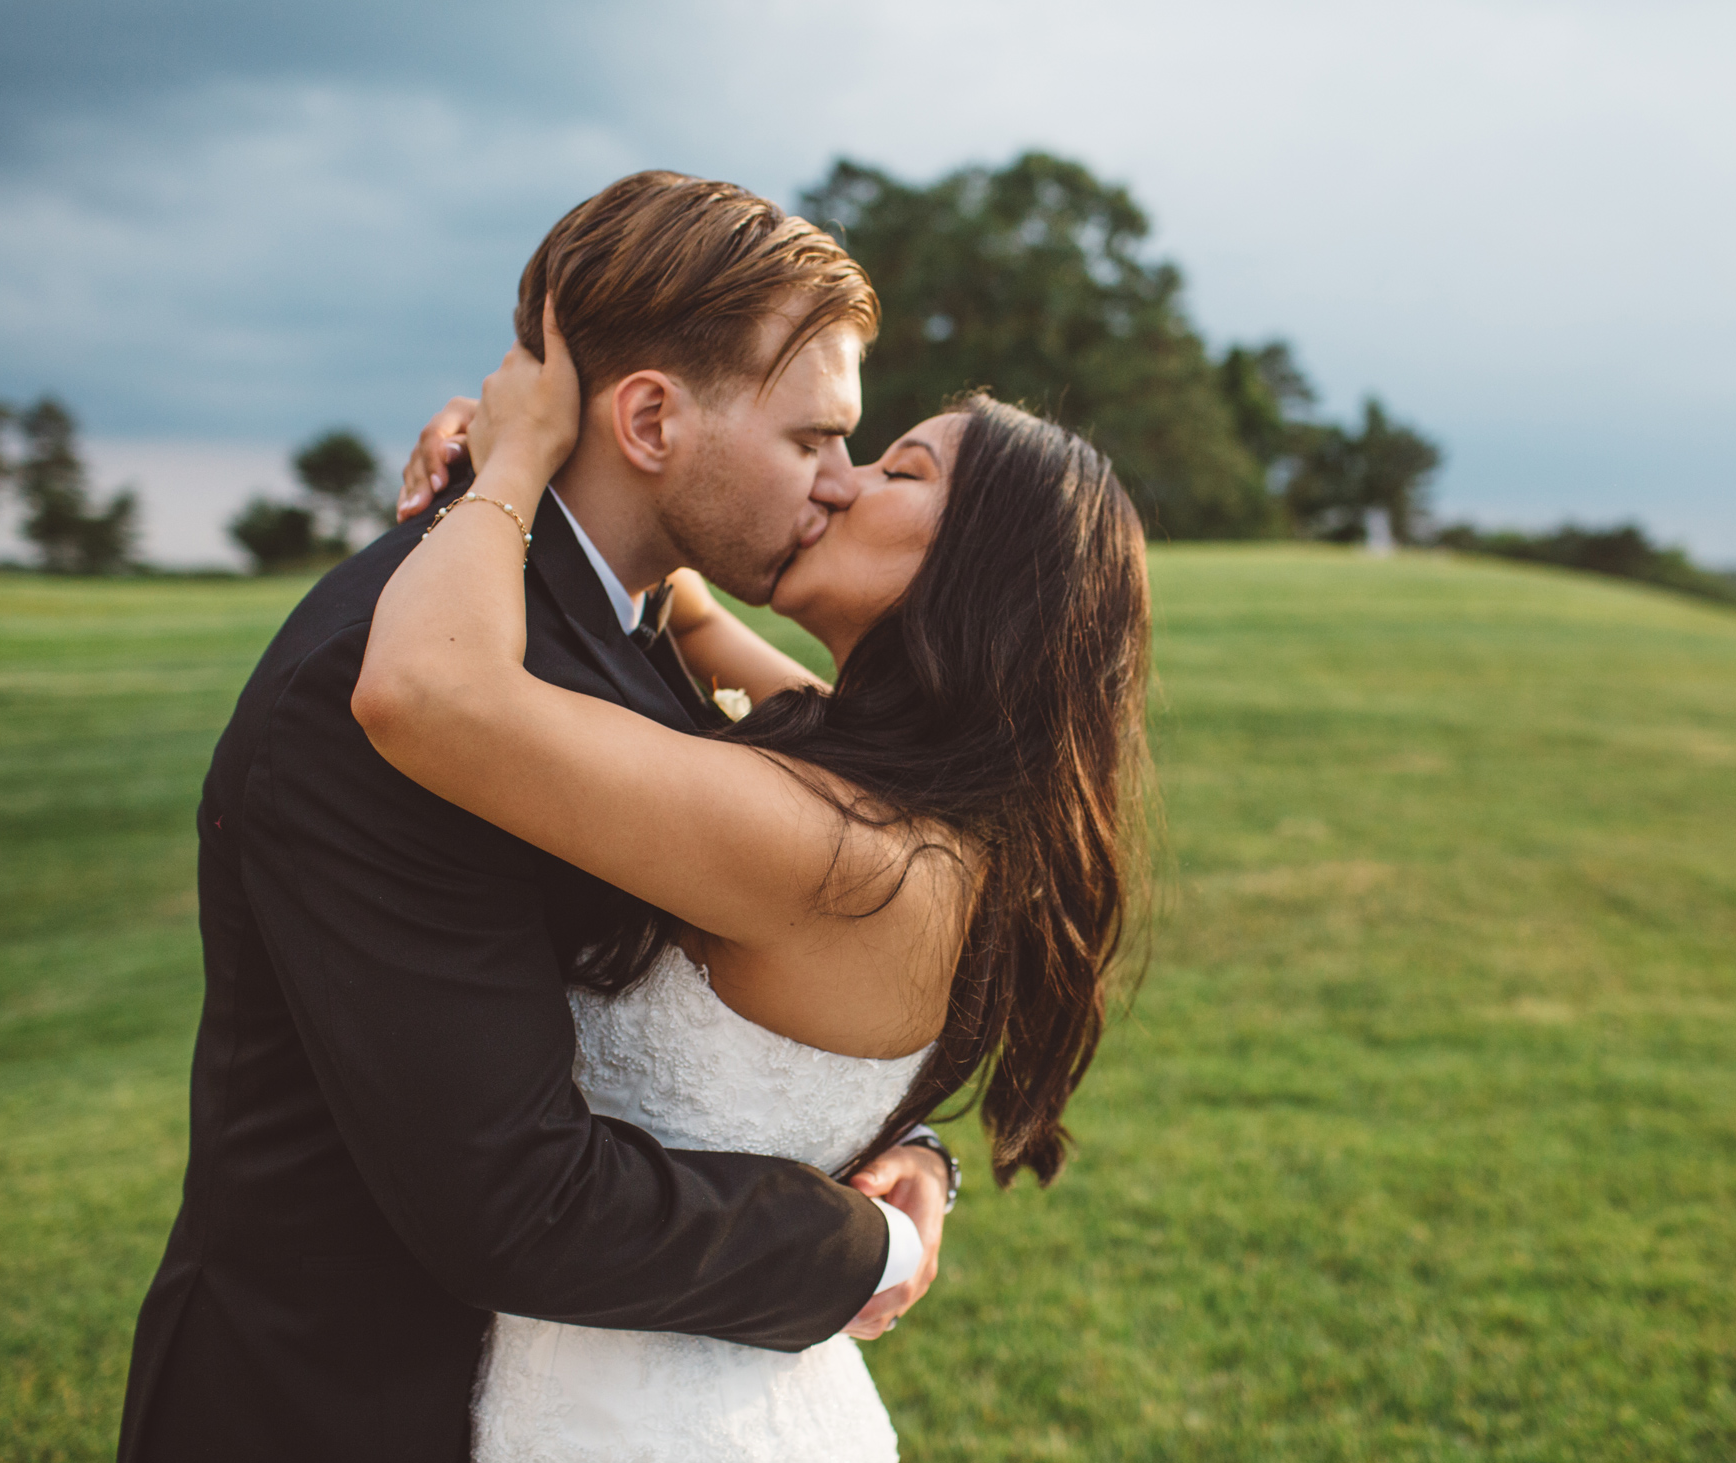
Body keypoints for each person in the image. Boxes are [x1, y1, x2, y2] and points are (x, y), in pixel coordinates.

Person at [117, 172, 958, 1463]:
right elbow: (508, 1202)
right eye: (811, 439)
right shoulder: (393, 691)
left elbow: (733, 974)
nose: (837, 481)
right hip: (352, 1405)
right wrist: (865, 1244)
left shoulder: (640, 631)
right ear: (649, 418)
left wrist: (895, 1137)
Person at [352, 285, 1150, 1457]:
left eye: (900, 471)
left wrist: (515, 460)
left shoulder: (835, 846)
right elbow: (672, 602)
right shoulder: (920, 804)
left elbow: (423, 692)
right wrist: (599, 469)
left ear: (982, 576)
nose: (838, 480)